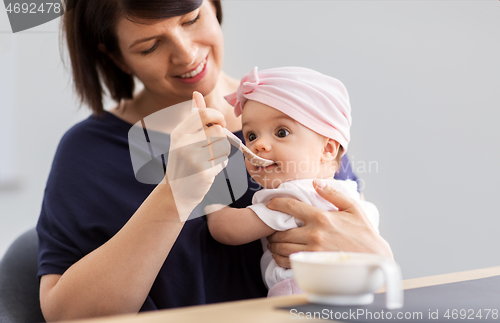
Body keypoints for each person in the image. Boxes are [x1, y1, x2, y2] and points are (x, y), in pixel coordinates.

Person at [36, 0, 394, 321]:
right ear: (115, 56)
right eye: (151, 46)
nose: (186, 55)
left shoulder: (296, 120)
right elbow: (65, 314)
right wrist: (173, 195)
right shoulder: (91, 153)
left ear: (214, 5)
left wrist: (378, 255)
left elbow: (364, 264)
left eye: (191, 19)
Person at [206, 66, 381, 297]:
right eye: (251, 136)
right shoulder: (350, 194)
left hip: (299, 293)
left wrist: (211, 204)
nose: (259, 145)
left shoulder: (295, 195)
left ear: (327, 148)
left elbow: (228, 230)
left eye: (281, 132)